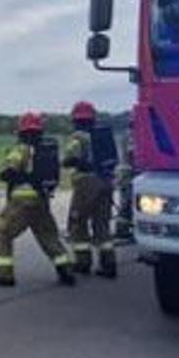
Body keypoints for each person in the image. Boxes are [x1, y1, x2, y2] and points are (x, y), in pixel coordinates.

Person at [0, 112, 75, 287]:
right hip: (42, 199)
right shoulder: (46, 148)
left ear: (21, 131)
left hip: (22, 201)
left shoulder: (21, 149)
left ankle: (4, 275)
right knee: (48, 236)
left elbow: (9, 172)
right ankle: (66, 269)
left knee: (2, 231)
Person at [63, 101, 119, 279]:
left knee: (78, 222)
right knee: (102, 223)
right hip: (106, 181)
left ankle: (83, 262)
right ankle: (109, 262)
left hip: (86, 182)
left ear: (75, 120)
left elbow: (69, 158)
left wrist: (67, 162)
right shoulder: (103, 134)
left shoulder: (78, 137)